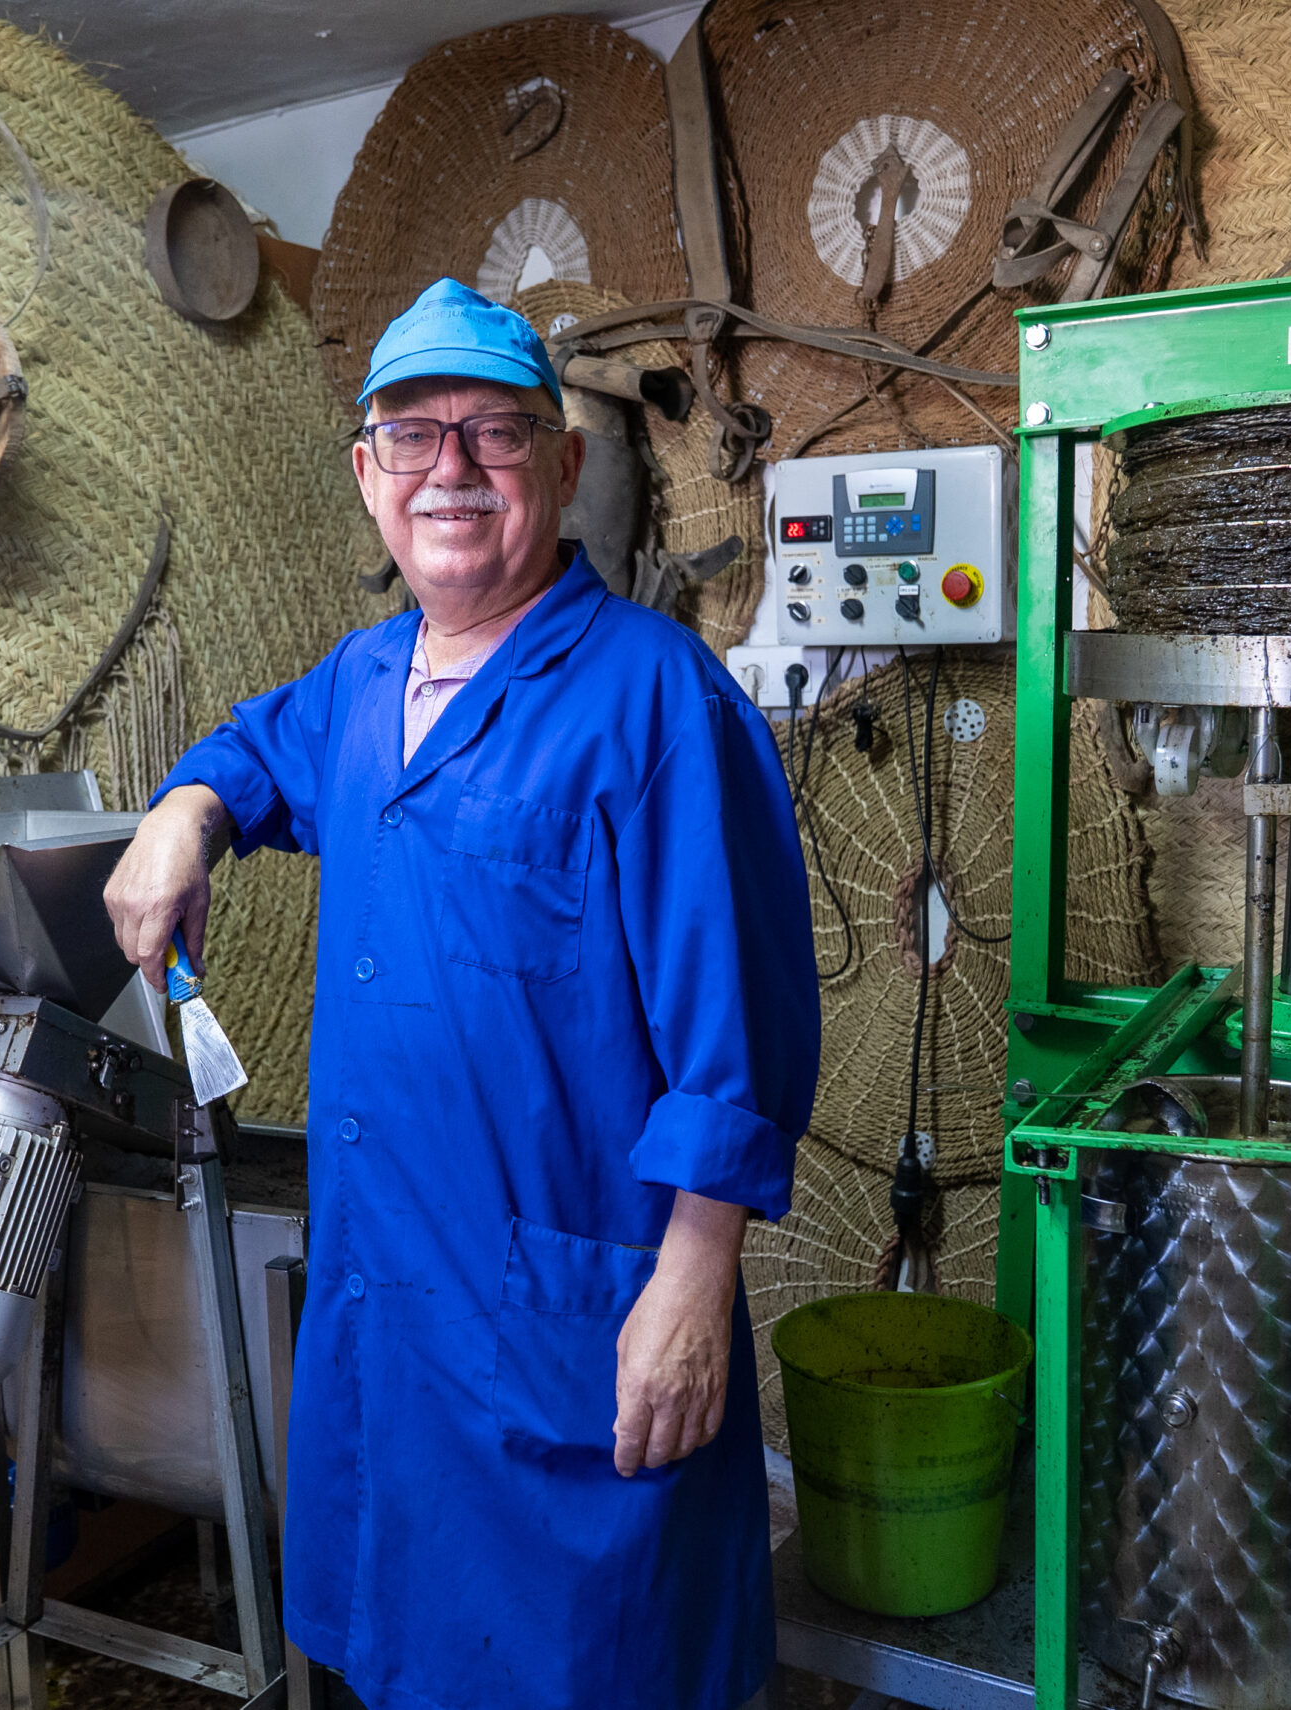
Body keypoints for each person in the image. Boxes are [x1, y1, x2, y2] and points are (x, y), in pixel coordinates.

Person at [103, 277, 820, 1710]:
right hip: (397, 1321)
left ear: (563, 464)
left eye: (494, 433)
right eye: (413, 436)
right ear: (368, 473)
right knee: (402, 1660)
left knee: (592, 1674)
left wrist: (693, 1286)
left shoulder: (656, 699)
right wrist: (184, 810)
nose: (452, 470)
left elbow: (737, 1038)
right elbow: (257, 751)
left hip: (573, 1331)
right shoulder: (366, 681)